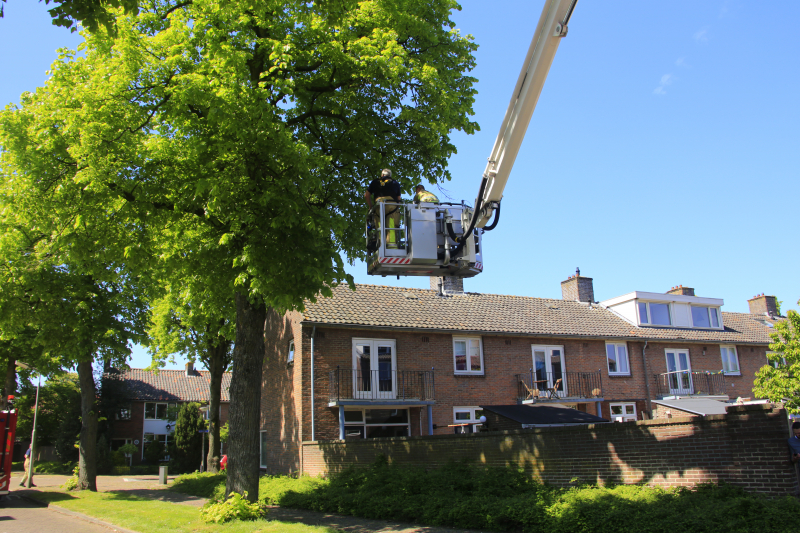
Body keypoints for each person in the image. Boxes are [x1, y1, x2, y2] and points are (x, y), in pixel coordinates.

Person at [365, 169, 403, 248]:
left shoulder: (375, 182)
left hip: (379, 205)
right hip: (391, 206)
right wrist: (396, 209)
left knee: (379, 227)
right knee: (391, 227)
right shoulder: (395, 183)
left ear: (382, 175)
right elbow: (398, 200)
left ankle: (381, 247)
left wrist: (371, 207)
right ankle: (392, 248)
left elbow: (366, 195)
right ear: (390, 175)